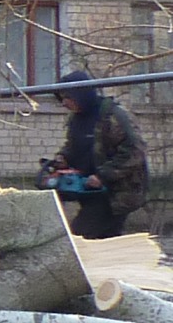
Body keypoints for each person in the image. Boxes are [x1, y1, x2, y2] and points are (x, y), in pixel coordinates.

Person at [45, 69, 149, 238]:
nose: (64, 103)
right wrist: (63, 158)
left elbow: (135, 151)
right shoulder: (75, 119)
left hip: (114, 194)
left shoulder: (113, 116)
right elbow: (74, 146)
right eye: (61, 98)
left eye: (68, 97)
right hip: (88, 191)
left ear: (81, 94)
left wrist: (103, 176)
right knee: (104, 240)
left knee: (81, 235)